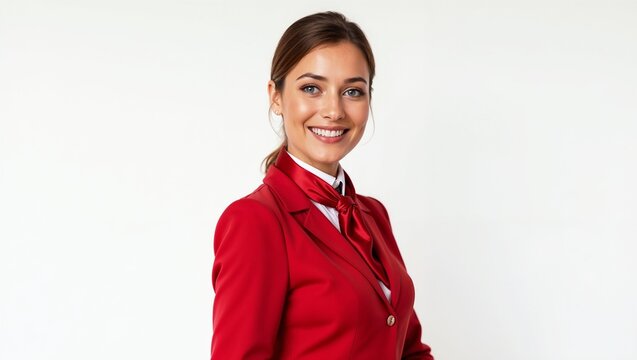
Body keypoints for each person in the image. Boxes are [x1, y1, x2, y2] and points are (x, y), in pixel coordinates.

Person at [211, 11, 434, 359]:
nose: (334, 110)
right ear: (276, 96)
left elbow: (409, 349)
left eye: (352, 91)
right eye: (312, 88)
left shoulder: (373, 214)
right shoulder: (255, 221)